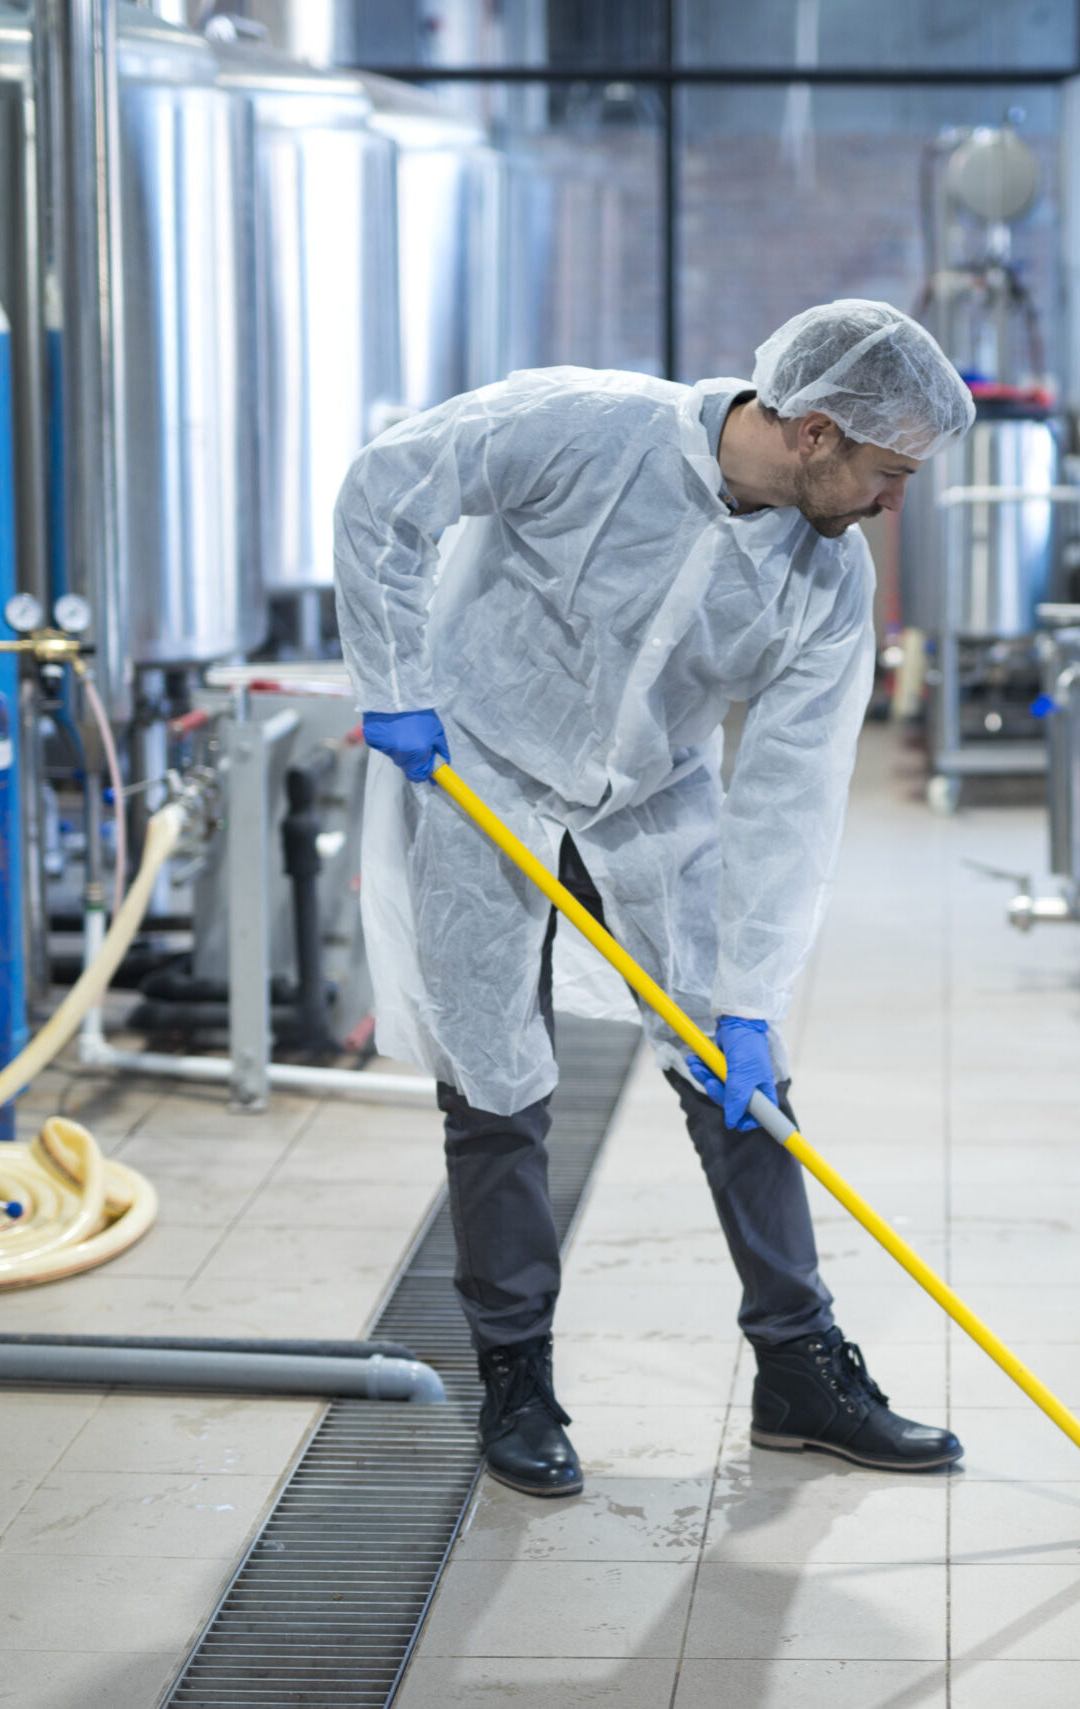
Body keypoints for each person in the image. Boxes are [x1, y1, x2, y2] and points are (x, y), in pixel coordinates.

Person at [335, 301, 975, 1497]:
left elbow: (792, 797)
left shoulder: (828, 580)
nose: (894, 503)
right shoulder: (580, 426)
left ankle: (799, 1369)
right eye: (889, 474)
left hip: (649, 800)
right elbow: (388, 490)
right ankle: (514, 1372)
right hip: (482, 766)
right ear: (818, 431)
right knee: (493, 1082)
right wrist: (395, 683)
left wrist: (751, 996)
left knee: (743, 1083)